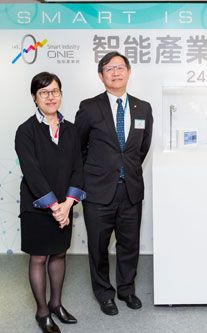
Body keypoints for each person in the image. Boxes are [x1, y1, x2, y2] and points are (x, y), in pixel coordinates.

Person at [75, 51, 153, 315]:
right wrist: (97, 172)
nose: (116, 73)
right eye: (109, 69)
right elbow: (79, 147)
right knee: (98, 246)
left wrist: (124, 168)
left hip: (130, 189)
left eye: (120, 67)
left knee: (129, 244)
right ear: (101, 76)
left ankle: (126, 290)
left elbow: (142, 148)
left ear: (129, 72)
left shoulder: (143, 108)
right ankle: (104, 293)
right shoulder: (89, 107)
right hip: (98, 191)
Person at [15, 72, 86, 333]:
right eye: (44, 92)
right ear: (35, 97)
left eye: (55, 91)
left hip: (64, 207)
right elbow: (32, 173)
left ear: (61, 94)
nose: (50, 96)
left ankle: (56, 304)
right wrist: (55, 207)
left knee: (59, 253)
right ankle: (42, 311)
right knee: (39, 258)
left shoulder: (71, 129)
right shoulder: (26, 131)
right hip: (37, 206)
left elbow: (78, 167)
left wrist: (67, 204)